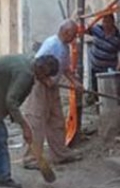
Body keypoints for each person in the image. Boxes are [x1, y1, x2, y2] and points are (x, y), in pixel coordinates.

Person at [0, 53, 59, 188]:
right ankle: (2, 178)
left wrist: (20, 122)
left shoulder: (30, 66)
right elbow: (11, 101)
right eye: (46, 76)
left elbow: (14, 97)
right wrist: (24, 126)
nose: (45, 80)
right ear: (42, 69)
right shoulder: (26, 74)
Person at [23, 19, 83, 168]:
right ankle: (31, 158)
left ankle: (59, 153)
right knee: (36, 121)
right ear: (66, 32)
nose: (74, 38)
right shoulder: (51, 44)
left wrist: (74, 82)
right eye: (74, 34)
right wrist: (45, 80)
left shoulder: (64, 47)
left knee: (56, 120)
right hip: (40, 85)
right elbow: (36, 66)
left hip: (52, 86)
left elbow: (65, 68)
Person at [86, 13, 120, 96]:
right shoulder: (97, 29)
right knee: (96, 91)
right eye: (104, 22)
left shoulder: (119, 38)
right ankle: (97, 105)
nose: (105, 24)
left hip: (108, 71)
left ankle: (107, 107)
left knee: (107, 92)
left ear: (113, 22)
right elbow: (86, 30)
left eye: (108, 22)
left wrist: (119, 66)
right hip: (95, 68)